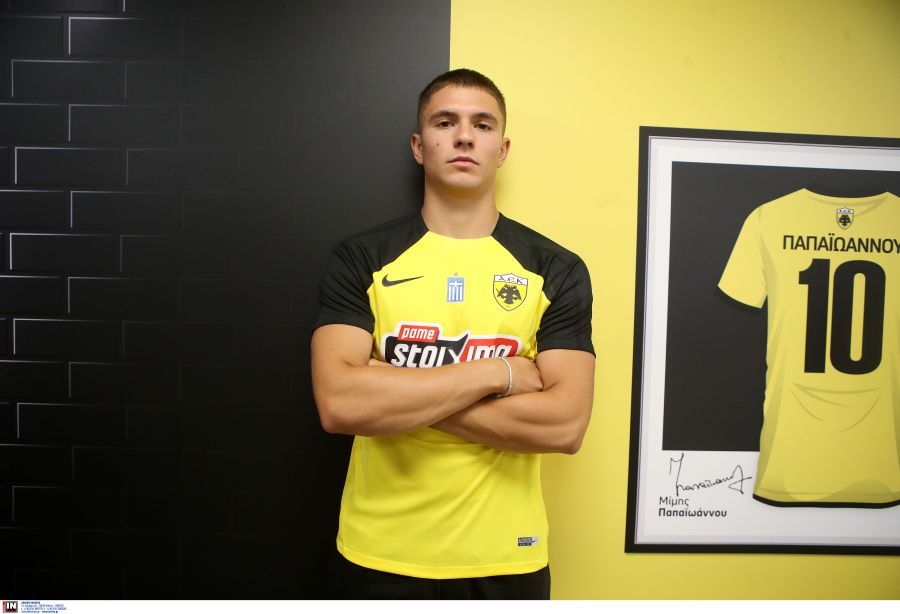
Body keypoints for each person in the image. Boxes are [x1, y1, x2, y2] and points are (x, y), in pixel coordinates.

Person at [310, 68, 595, 600]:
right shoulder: (361, 258)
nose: (465, 136)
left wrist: (392, 391)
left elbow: (566, 425)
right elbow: (339, 405)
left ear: (502, 149)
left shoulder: (555, 268)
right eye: (445, 122)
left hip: (507, 559)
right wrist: (497, 373)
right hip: (378, 554)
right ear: (419, 146)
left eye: (482, 124)